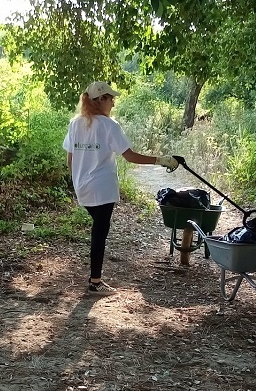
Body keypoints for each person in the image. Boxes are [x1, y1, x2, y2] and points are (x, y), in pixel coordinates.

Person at [62, 81, 180, 294]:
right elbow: (130, 156)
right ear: (100, 100)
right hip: (103, 188)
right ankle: (95, 282)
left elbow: (70, 160)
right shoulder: (109, 126)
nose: (113, 103)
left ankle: (95, 279)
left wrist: (83, 170)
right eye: (110, 98)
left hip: (82, 187)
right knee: (99, 232)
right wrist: (161, 160)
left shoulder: (75, 124)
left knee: (98, 229)